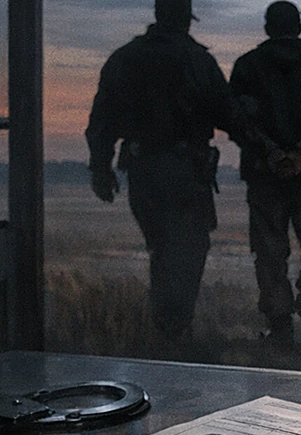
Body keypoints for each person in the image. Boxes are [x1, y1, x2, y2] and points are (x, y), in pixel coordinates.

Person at [85, 0, 234, 340]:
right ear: (185, 20)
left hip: (143, 171)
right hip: (186, 171)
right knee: (187, 247)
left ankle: (167, 327)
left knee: (163, 246)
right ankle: (173, 329)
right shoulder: (198, 60)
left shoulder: (125, 58)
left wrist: (100, 168)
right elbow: (227, 113)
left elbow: (102, 121)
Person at [230, 1, 301, 348]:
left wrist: (272, 152)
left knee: (269, 251)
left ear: (267, 28)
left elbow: (237, 119)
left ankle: (280, 326)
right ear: (299, 27)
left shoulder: (247, 66)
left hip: (265, 174)